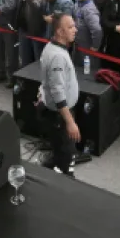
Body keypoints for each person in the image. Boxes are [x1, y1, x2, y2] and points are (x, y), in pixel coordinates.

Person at [38, 13, 81, 177]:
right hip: (60, 116)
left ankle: (51, 166)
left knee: (59, 149)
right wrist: (70, 122)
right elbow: (57, 91)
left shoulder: (54, 48)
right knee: (66, 158)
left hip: (58, 114)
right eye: (70, 27)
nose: (75, 30)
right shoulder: (57, 55)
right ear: (59, 32)